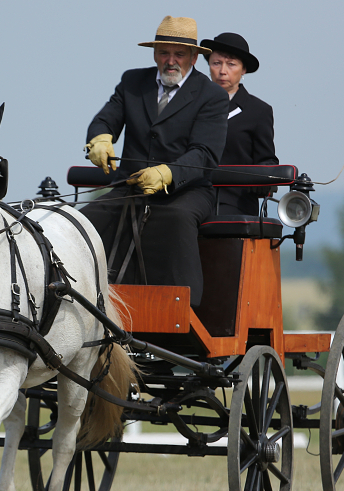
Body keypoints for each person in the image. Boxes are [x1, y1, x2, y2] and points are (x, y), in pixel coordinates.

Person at [80, 16, 228, 306]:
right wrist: (100, 137)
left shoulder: (212, 96)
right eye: (163, 52)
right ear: (154, 53)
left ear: (194, 58)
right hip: (130, 186)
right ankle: (84, 300)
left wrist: (168, 174)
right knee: (85, 222)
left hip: (187, 191)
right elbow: (104, 119)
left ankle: (181, 306)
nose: (170, 60)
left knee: (174, 218)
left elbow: (205, 154)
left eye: (179, 54)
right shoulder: (132, 81)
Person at [199, 32, 278, 215]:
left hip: (236, 203)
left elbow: (267, 159)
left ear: (243, 70)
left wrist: (262, 177)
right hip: (192, 197)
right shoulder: (192, 105)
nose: (222, 71)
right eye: (216, 63)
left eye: (231, 64)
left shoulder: (258, 111)